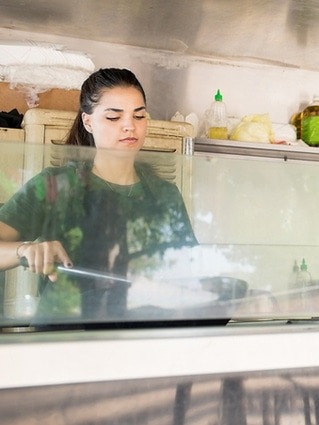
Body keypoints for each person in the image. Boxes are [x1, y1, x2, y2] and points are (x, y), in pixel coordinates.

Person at [0, 68, 197, 325]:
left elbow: (191, 270)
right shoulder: (55, 185)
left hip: (142, 339)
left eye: (139, 115)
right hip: (64, 342)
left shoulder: (165, 194)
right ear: (88, 121)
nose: (130, 126)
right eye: (114, 117)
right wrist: (25, 250)